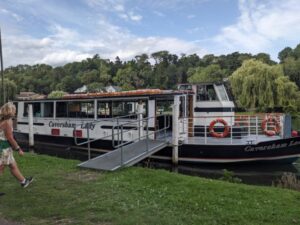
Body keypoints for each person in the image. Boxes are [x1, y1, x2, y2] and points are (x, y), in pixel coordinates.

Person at [0, 102, 33, 189]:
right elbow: (10, 138)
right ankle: (23, 181)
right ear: (10, 111)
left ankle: (24, 182)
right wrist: (18, 149)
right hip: (4, 149)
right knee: (1, 169)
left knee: (13, 165)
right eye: (14, 110)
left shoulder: (3, 120)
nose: (15, 112)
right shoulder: (8, 122)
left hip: (5, 148)